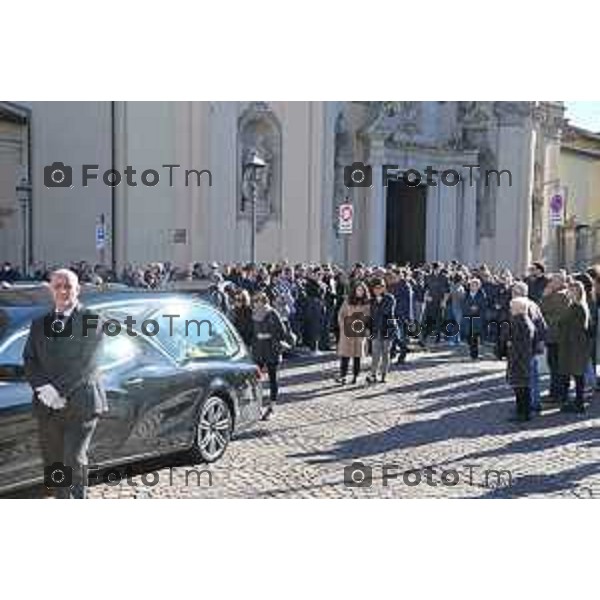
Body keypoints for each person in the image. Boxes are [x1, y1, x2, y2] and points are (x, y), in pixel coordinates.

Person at [23, 268, 107, 499]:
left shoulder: (91, 319)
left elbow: (88, 361)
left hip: (82, 402)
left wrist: (58, 390)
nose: (63, 291)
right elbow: (30, 359)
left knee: (74, 459)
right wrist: (43, 389)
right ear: (51, 290)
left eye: (68, 286)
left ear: (78, 289)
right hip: (47, 404)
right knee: (54, 462)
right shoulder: (40, 323)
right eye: (57, 286)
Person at [250, 292, 296, 421]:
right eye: (255, 300)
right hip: (258, 350)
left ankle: (271, 406)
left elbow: (282, 332)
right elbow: (251, 331)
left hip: (271, 349)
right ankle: (257, 405)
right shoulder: (253, 314)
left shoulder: (272, 313)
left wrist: (269, 335)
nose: (256, 303)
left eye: (259, 300)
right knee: (256, 378)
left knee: (272, 378)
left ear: (264, 300)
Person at [557, 280, 590, 413]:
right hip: (570, 345)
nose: (567, 292)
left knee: (577, 375)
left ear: (575, 292)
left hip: (574, 346)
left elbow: (576, 329)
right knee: (574, 375)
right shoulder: (572, 306)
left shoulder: (578, 307)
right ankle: (575, 402)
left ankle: (579, 403)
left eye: (570, 290)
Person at [540, 273, 570, 403]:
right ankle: (557, 393)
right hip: (556, 335)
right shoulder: (560, 293)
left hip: (557, 335)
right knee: (555, 366)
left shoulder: (560, 295)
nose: (550, 282)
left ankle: (558, 394)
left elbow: (542, 309)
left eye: (553, 280)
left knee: (556, 366)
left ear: (560, 282)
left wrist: (545, 295)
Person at [507, 297, 535, 422]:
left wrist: (510, 347)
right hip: (524, 358)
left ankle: (522, 413)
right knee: (523, 387)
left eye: (512, 307)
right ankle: (523, 412)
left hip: (519, 360)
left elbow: (517, 344)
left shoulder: (519, 322)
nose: (510, 309)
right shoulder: (525, 320)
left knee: (520, 388)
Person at [335, 282, 370, 384]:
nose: (359, 292)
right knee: (345, 355)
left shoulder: (367, 303)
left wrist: (367, 328)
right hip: (347, 330)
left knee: (357, 355)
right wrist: (343, 326)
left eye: (361, 290)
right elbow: (341, 314)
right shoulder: (348, 301)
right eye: (358, 289)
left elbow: (368, 317)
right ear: (354, 290)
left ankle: (356, 375)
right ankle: (343, 376)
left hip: (360, 330)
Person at [366, 278, 396, 384]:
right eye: (376, 288)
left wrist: (378, 303)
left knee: (385, 353)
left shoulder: (390, 298)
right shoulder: (371, 300)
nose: (378, 289)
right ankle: (373, 374)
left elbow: (385, 311)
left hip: (387, 328)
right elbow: (369, 316)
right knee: (375, 353)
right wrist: (368, 329)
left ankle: (384, 374)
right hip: (375, 329)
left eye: (381, 287)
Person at [462, 278, 487, 359]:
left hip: (477, 318)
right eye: (472, 285)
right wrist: (469, 308)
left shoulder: (481, 294)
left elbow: (484, 304)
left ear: (478, 286)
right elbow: (463, 304)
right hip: (468, 317)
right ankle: (472, 350)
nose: (473, 287)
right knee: (468, 335)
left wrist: (477, 308)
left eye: (475, 285)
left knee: (474, 336)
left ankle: (474, 354)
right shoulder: (466, 294)